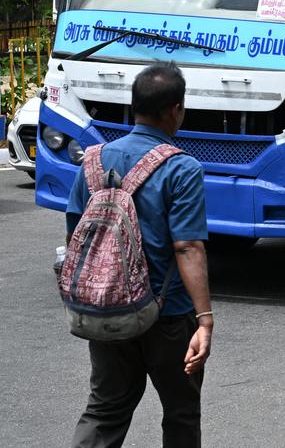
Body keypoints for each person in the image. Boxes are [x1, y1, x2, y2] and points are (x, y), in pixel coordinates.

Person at [67, 62, 212, 448]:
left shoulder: (93, 162)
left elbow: (75, 234)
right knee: (181, 413)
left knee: (105, 410)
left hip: (107, 311)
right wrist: (205, 319)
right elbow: (187, 246)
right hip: (167, 314)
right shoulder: (182, 168)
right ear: (175, 109)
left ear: (135, 105)